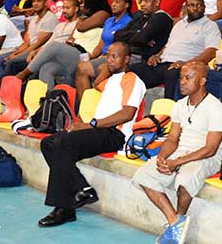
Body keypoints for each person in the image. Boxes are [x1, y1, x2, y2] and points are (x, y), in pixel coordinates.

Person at [38, 42, 145, 228]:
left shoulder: (132, 80)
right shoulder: (112, 80)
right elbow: (96, 83)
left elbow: (127, 114)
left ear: (127, 59)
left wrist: (91, 124)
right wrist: (106, 67)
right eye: (108, 55)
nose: (109, 60)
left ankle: (64, 208)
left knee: (62, 142)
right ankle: (81, 190)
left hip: (115, 134)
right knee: (48, 143)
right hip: (99, 131)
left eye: (115, 56)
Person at [132, 62, 222, 244]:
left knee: (184, 180)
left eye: (187, 78)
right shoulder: (179, 105)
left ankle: (177, 224)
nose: (181, 82)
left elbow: (211, 149)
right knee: (144, 175)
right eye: (181, 77)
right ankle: (175, 222)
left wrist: (177, 162)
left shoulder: (215, 108)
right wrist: (163, 158)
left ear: (202, 81)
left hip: (207, 156)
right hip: (180, 151)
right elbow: (173, 138)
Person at [129, 0, 220, 99]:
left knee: (174, 75)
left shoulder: (210, 26)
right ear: (186, 7)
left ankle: (167, 113)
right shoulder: (179, 24)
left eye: (198, 5)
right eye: (191, 5)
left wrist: (187, 64)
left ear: (204, 7)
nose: (195, 8)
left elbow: (212, 51)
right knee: (130, 70)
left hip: (181, 66)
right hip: (162, 63)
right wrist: (156, 55)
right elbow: (168, 46)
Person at [15, 0, 102, 88]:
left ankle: (24, 74)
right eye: (63, 8)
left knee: (54, 46)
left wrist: (90, 56)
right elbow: (70, 39)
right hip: (68, 52)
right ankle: (49, 98)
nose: (82, 6)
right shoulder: (80, 23)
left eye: (84, 5)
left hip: (83, 54)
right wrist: (36, 51)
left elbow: (98, 48)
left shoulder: (101, 25)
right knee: (47, 68)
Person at [74, 0, 134, 95]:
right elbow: (101, 43)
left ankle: (89, 106)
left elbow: (123, 48)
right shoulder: (109, 20)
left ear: (126, 5)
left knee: (84, 70)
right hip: (103, 55)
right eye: (112, 2)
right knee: (80, 65)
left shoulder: (129, 22)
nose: (113, 4)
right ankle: (84, 106)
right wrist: (92, 56)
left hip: (114, 58)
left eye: (118, 2)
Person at [0, 0, 57, 77]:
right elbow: (27, 42)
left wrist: (17, 56)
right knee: (0, 59)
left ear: (46, 3)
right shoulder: (34, 20)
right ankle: (3, 86)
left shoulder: (50, 19)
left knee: (11, 62)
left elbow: (37, 44)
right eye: (33, 1)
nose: (35, 3)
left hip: (39, 52)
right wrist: (15, 53)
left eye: (39, 1)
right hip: (29, 49)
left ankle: (9, 88)